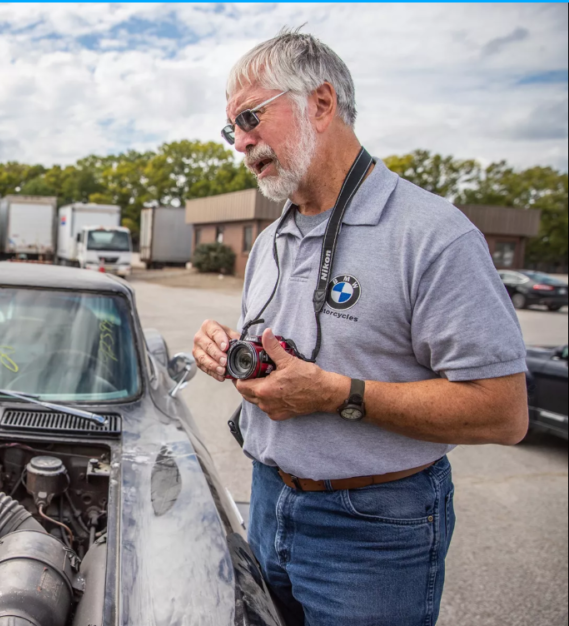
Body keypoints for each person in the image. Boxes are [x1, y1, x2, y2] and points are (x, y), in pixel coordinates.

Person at [192, 30, 528, 626]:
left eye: (250, 118)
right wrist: (226, 352)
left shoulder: (432, 234)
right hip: (268, 501)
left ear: (321, 104)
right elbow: (278, 358)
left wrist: (339, 396)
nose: (240, 142)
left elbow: (503, 411)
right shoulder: (270, 240)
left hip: (373, 530)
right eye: (232, 129)